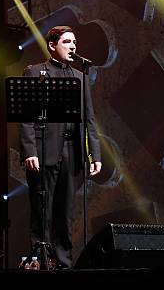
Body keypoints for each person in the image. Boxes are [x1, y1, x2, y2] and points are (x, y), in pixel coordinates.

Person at [19, 25, 102, 269]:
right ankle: (41, 261)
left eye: (74, 42)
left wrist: (93, 153)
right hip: (44, 150)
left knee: (64, 213)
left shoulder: (80, 77)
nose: (73, 46)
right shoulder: (35, 72)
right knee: (42, 210)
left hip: (71, 151)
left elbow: (89, 118)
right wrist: (29, 150)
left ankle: (64, 263)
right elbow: (26, 116)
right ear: (52, 45)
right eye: (67, 42)